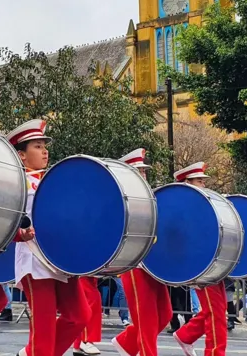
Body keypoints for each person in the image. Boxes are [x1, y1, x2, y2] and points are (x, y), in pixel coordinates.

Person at [10, 119, 89, 356]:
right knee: (43, 331)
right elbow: (2, 220)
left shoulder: (52, 181)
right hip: (35, 262)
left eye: (45, 145)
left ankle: (32, 353)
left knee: (79, 317)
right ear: (22, 155)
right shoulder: (15, 182)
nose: (44, 150)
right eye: (37, 146)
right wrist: (19, 234)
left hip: (60, 259)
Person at [111, 148, 172, 356]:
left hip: (154, 266)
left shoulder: (151, 198)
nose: (143, 175)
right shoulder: (122, 200)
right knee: (146, 321)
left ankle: (126, 343)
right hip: (135, 265)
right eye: (139, 171)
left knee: (165, 314)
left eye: (144, 171)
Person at [172, 162, 228, 356]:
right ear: (187, 183)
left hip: (213, 263)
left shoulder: (203, 206)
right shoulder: (183, 208)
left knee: (218, 309)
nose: (204, 186)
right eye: (199, 181)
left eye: (204, 182)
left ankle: (186, 335)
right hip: (200, 266)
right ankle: (214, 352)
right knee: (215, 313)